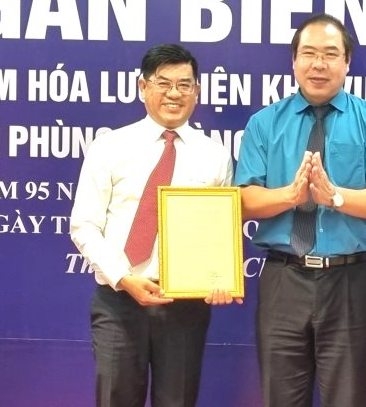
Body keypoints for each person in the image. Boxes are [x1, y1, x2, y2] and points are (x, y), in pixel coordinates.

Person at [235, 13, 366, 407]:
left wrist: (336, 197)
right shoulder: (264, 123)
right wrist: (291, 197)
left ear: (347, 62)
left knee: (347, 398)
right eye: (308, 53)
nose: (319, 64)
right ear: (293, 61)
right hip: (283, 277)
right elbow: (242, 200)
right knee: (281, 397)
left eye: (331, 54)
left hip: (348, 280)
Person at [70, 43, 240, 407]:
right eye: (163, 83)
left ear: (197, 91)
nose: (174, 93)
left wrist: (218, 280)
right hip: (119, 300)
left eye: (184, 84)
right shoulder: (110, 147)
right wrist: (123, 277)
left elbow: (219, 232)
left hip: (184, 307)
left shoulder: (215, 155)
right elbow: (83, 224)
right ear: (142, 87)